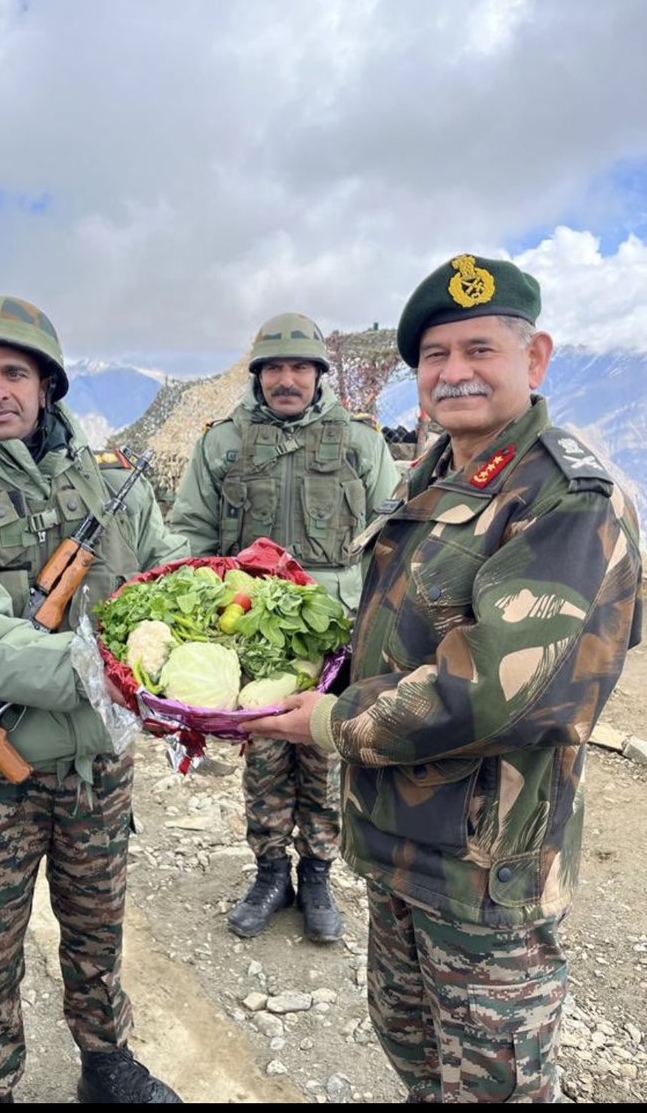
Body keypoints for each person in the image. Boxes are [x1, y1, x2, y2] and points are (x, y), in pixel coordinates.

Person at [240, 254, 643, 1103]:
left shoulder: (565, 499)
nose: (453, 373)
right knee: (418, 1062)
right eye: (433, 358)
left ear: (533, 360)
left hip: (482, 874)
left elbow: (492, 689)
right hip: (399, 846)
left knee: (491, 1088)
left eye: (478, 351)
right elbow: (388, 626)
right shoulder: (441, 476)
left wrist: (321, 719)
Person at [0, 296, 188, 1105]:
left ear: (47, 385)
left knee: (97, 927)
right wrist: (114, 678)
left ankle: (105, 1059)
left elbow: (170, 580)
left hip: (96, 760)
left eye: (13, 373)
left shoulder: (109, 479)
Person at [168, 312, 401, 943]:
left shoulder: (359, 443)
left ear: (319, 374)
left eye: (300, 367)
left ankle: (319, 874)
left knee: (323, 751)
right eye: (274, 368)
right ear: (258, 375)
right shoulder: (225, 444)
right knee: (267, 754)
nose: (287, 379)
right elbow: (190, 530)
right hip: (255, 630)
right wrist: (180, 607)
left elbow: (395, 536)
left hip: (335, 634)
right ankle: (271, 871)